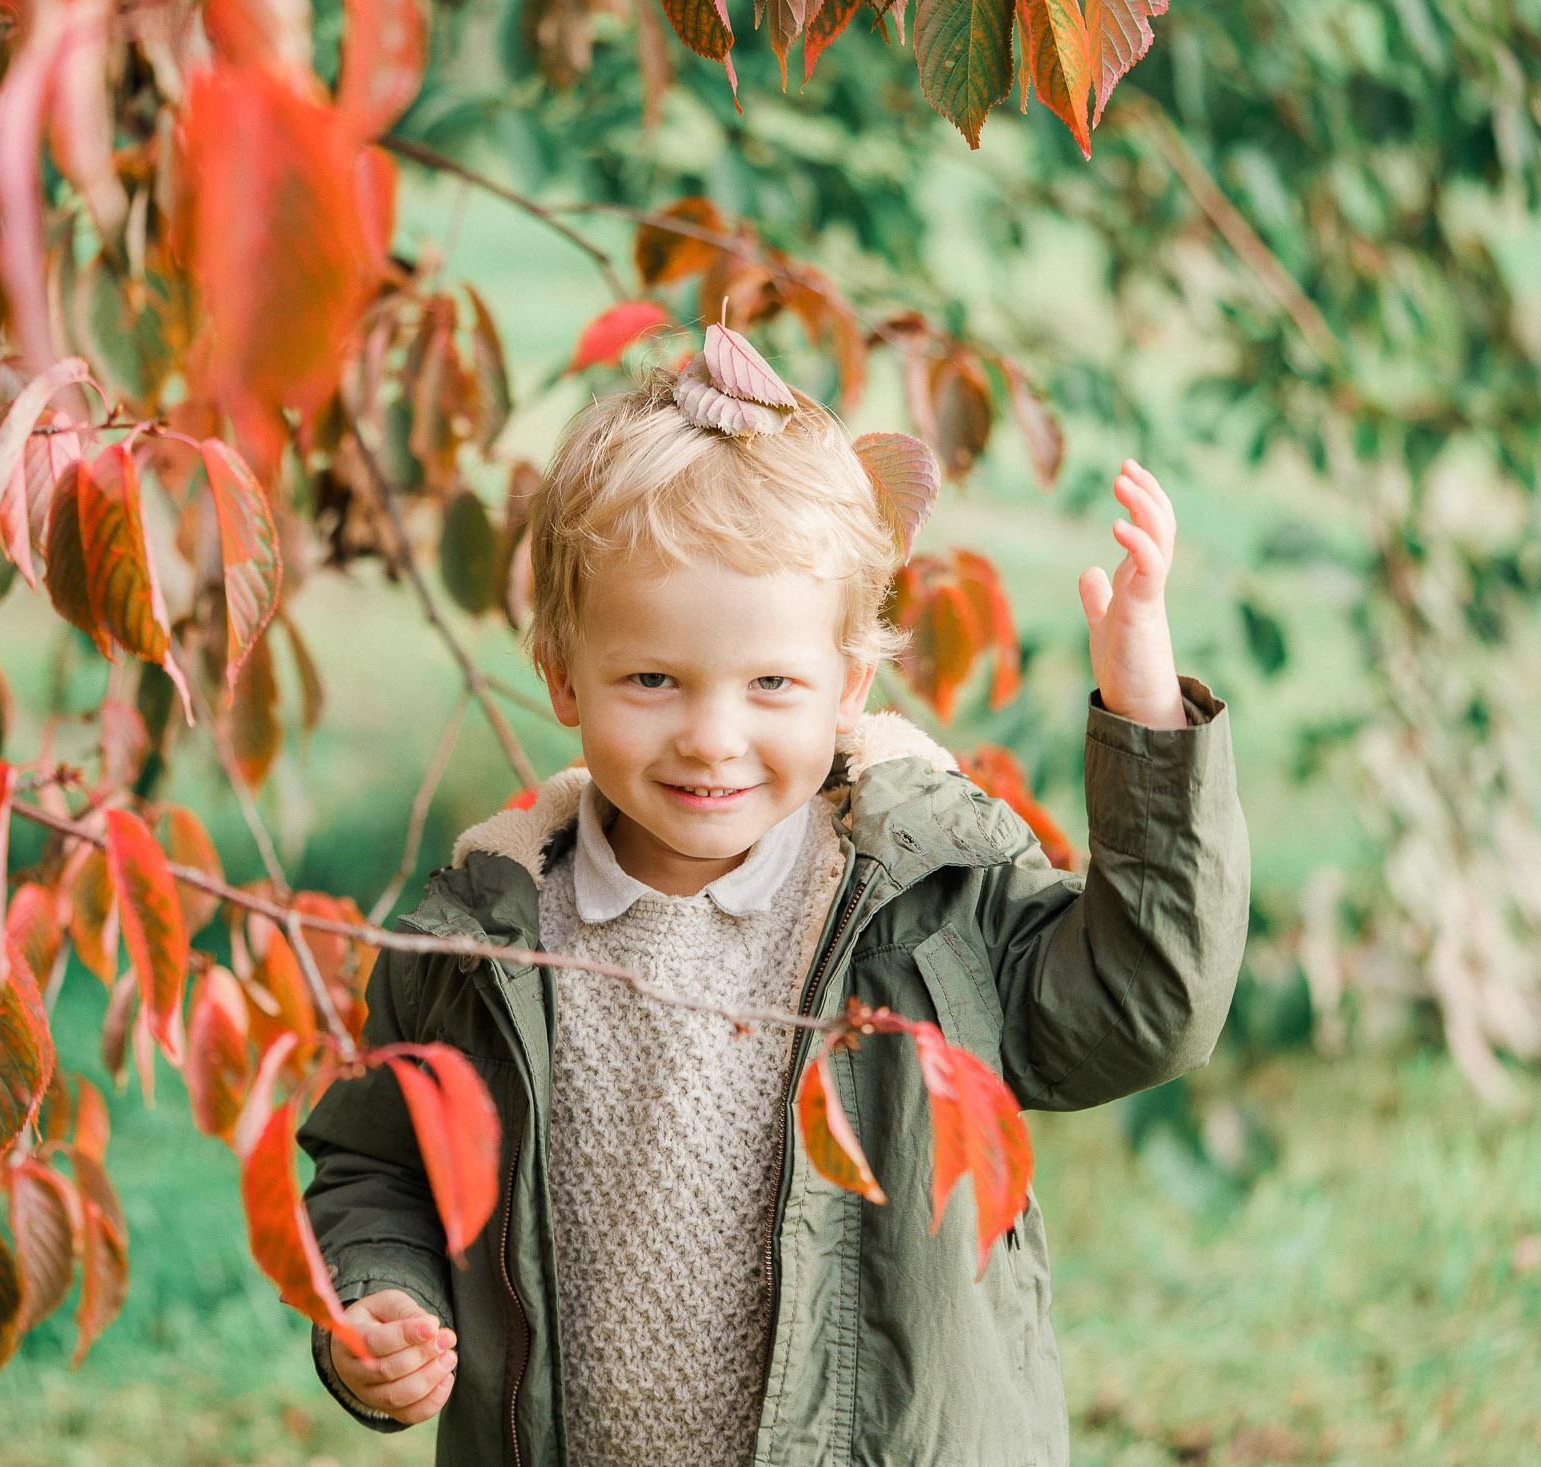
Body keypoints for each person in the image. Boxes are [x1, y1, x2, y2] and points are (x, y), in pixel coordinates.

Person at [296, 324, 1251, 1466]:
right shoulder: (483, 939)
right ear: (559, 670)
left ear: (847, 685)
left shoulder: (929, 908)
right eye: (652, 679)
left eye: (771, 685)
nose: (712, 737)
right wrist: (379, 1298)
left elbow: (1147, 1004)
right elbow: (378, 1164)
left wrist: (1146, 720)